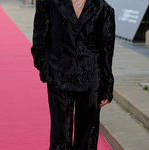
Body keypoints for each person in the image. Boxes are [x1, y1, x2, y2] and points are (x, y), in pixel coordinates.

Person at [31, 0, 115, 149]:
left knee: (87, 138)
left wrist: (107, 85)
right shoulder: (48, 3)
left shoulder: (104, 9)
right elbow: (38, 43)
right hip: (59, 77)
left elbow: (107, 51)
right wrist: (46, 71)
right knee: (60, 136)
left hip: (91, 79)